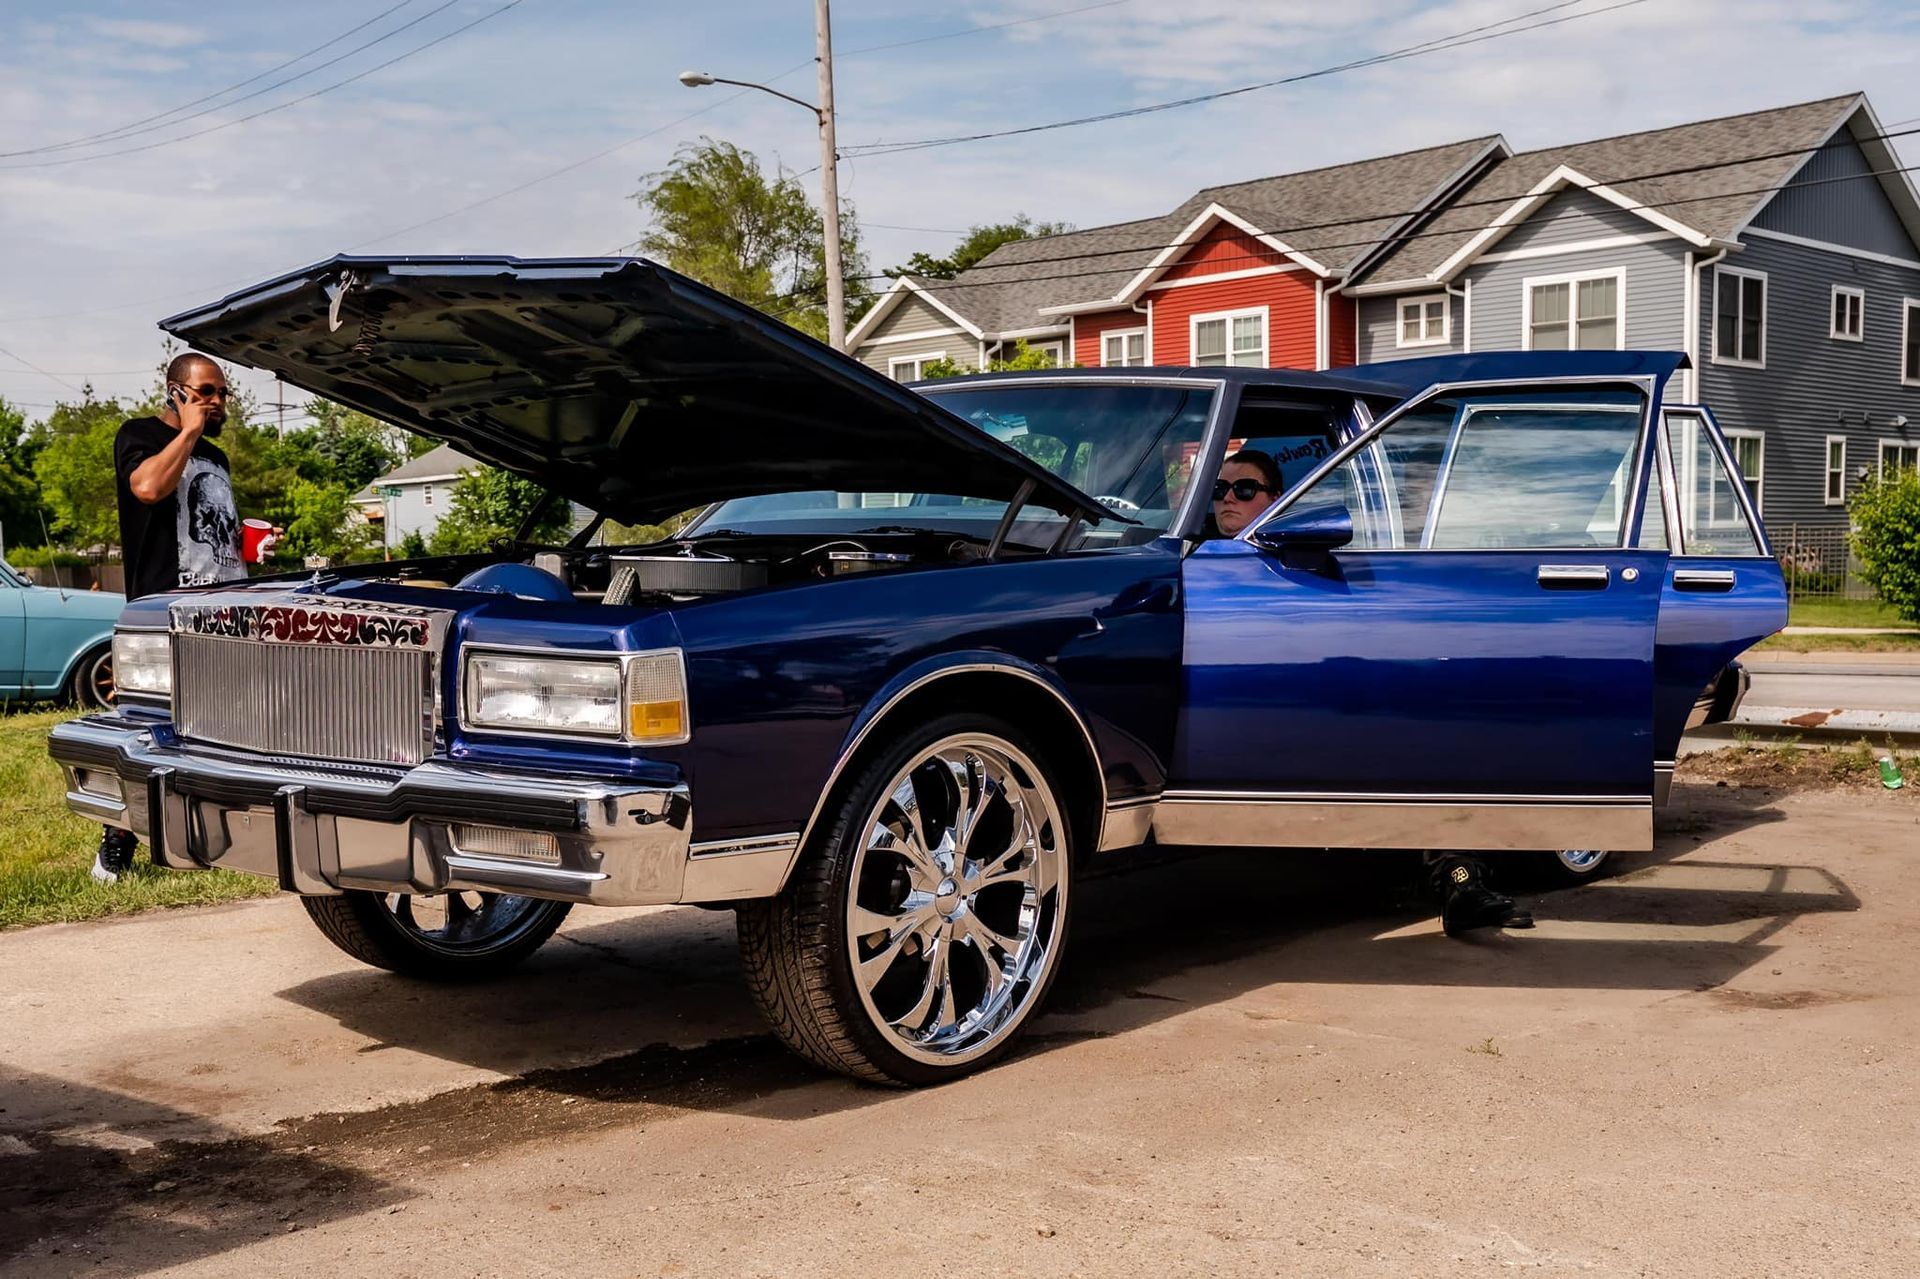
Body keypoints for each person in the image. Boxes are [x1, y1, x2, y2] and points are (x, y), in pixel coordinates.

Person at [93, 352, 248, 884]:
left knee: (226, 725)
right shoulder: (138, 434)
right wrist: (186, 431)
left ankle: (212, 836)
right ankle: (117, 841)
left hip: (222, 610)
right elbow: (148, 489)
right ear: (176, 392)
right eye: (205, 392)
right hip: (163, 611)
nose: (216, 402)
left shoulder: (217, 458)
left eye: (221, 393)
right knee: (153, 729)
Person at [1209, 448, 1282, 537]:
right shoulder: (1192, 545)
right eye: (1220, 488)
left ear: (1275, 500)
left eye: (1244, 489)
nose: (1227, 498)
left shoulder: (1292, 547)